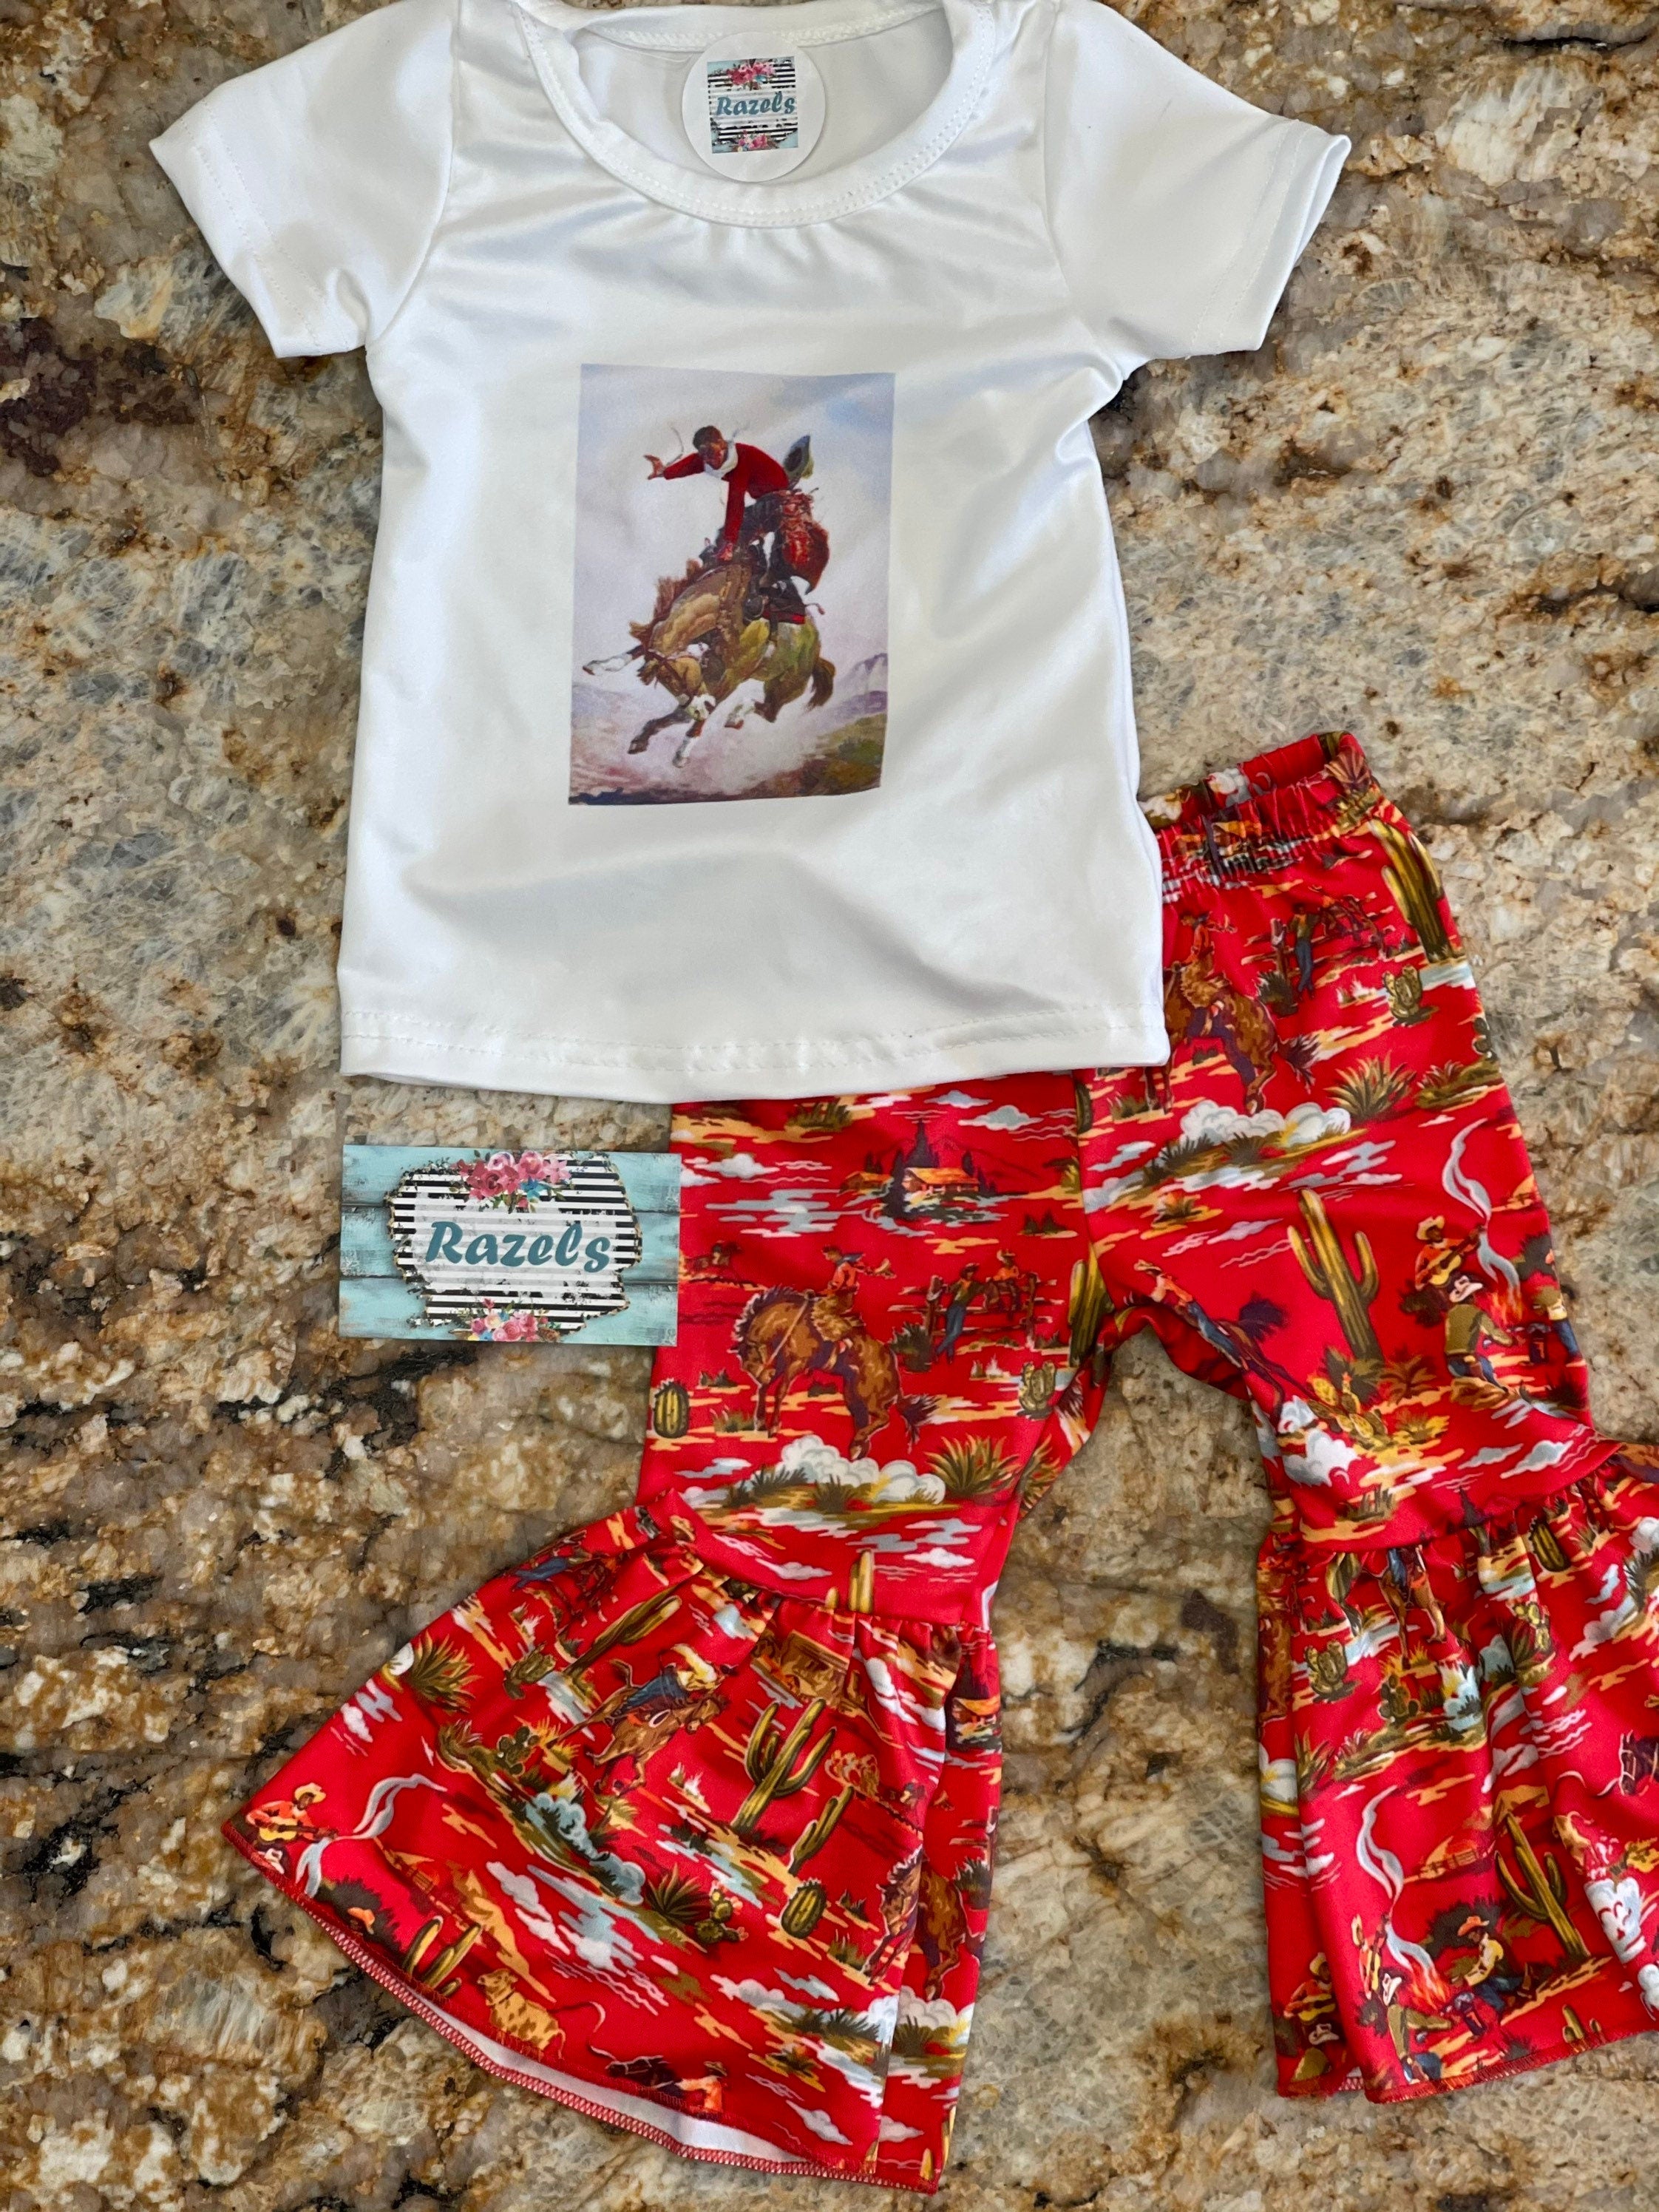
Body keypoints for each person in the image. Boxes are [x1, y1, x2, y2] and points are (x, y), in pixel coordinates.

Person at [646, 426, 812, 621]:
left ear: (722, 445)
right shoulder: (711, 458)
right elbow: (691, 464)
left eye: (712, 453)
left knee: (738, 538)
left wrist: (730, 543)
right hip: (763, 499)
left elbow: (735, 502)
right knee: (726, 535)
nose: (709, 460)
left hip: (779, 499)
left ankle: (782, 600)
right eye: (704, 455)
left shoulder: (740, 461)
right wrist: (665, 473)